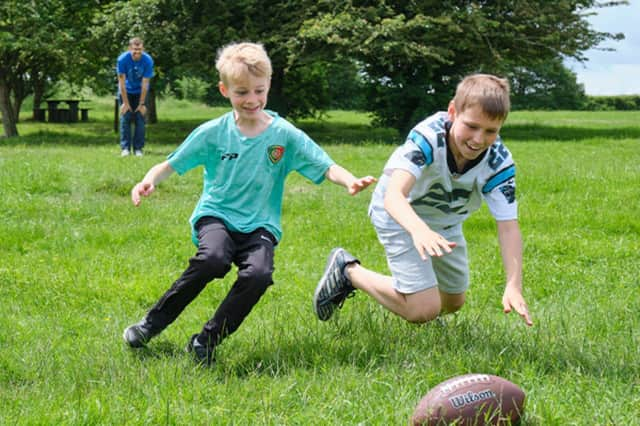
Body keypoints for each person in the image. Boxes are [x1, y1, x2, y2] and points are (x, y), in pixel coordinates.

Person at [122, 42, 376, 365]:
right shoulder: (213, 132)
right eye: (242, 92)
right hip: (216, 215)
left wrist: (350, 180)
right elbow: (173, 163)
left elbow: (324, 164)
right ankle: (150, 325)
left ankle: (205, 342)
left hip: (260, 224)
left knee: (258, 274)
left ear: (268, 85)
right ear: (224, 90)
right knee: (213, 259)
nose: (252, 100)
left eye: (259, 90)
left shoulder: (284, 135)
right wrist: (149, 180)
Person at [313, 74, 533, 328]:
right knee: (424, 309)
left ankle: (417, 297)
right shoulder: (429, 138)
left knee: (452, 302)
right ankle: (349, 272)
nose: (478, 139)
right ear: (452, 111)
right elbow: (393, 196)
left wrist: (513, 285)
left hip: (445, 226)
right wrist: (419, 230)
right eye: (471, 126)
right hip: (399, 215)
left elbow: (508, 227)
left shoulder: (498, 163)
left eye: (491, 131)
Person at [117, 37, 154, 157]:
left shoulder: (147, 60)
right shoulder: (122, 59)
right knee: (125, 118)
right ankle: (125, 148)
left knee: (140, 119)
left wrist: (141, 103)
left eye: (139, 50)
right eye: (134, 50)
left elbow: (145, 83)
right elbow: (121, 83)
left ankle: (138, 149)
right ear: (129, 49)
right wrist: (125, 103)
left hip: (141, 92)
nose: (137, 52)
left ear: (142, 48)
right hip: (126, 91)